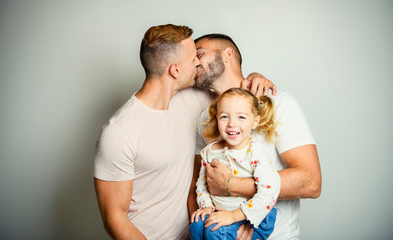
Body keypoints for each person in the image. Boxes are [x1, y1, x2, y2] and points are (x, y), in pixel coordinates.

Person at [94, 24, 275, 240]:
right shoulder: (119, 132)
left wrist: (255, 78)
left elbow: (237, 101)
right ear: (175, 70)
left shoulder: (194, 99)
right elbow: (114, 218)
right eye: (193, 59)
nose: (199, 63)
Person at [188, 34, 322, 240]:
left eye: (199, 54)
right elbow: (197, 186)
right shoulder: (205, 118)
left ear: (227, 54)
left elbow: (311, 181)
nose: (194, 61)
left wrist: (231, 186)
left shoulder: (278, 103)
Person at [189, 88, 280, 240]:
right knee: (197, 224)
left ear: (255, 121)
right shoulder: (209, 152)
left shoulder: (255, 152)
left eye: (241, 117)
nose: (232, 123)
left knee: (214, 231)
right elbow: (202, 184)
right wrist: (207, 207)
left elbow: (270, 190)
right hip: (221, 212)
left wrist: (233, 216)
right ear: (216, 118)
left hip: (251, 215)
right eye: (224, 116)